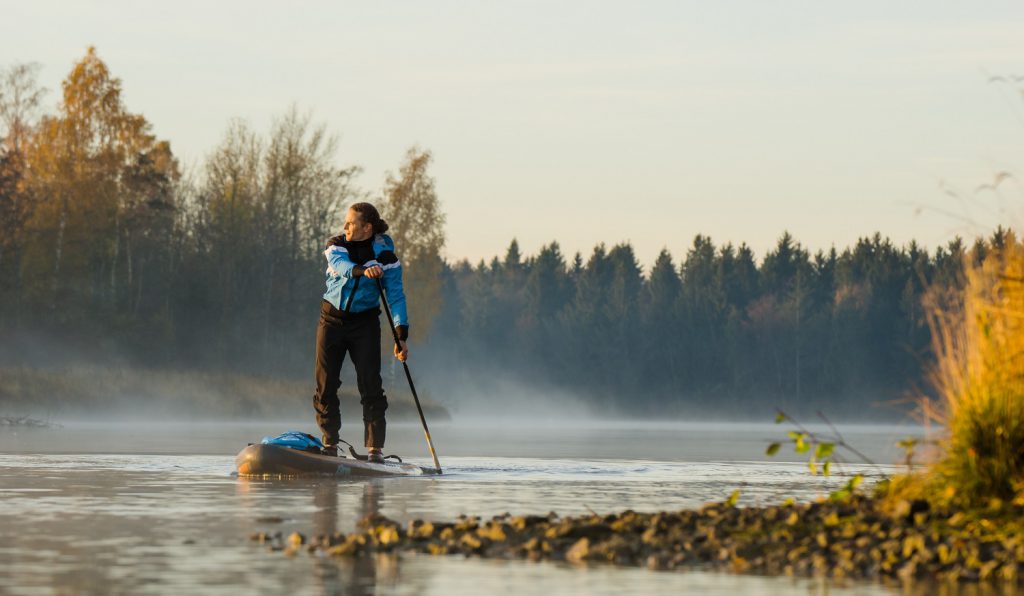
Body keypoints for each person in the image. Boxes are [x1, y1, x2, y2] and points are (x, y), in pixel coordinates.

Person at [315, 202, 408, 463]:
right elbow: (342, 266)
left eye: (351, 223)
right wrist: (363, 271)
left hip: (365, 324)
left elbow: (396, 297)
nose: (345, 226)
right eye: (345, 222)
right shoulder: (335, 245)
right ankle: (330, 443)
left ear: (367, 228)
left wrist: (401, 335)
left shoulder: (386, 257)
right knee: (326, 384)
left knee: (371, 386)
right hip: (331, 321)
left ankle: (374, 450)